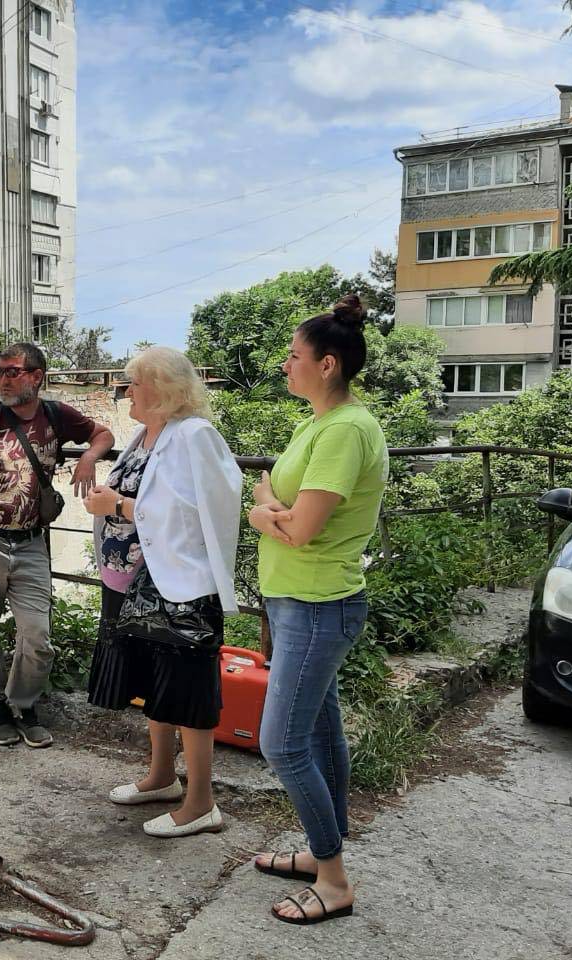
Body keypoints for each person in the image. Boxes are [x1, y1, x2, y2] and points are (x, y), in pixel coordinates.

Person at [248, 294, 388, 925]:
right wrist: (272, 505)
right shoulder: (315, 424)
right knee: (322, 732)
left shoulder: (345, 431)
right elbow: (279, 496)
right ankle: (320, 848)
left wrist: (262, 513)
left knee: (281, 743)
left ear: (327, 364)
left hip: (317, 604)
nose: (285, 365)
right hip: (296, 601)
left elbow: (298, 525)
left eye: (294, 356)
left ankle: (332, 879)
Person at [82, 346, 242, 839]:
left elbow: (209, 513)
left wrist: (122, 508)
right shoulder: (142, 435)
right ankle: (160, 778)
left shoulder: (195, 435)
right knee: (154, 682)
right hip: (133, 585)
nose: (126, 391)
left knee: (188, 691)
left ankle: (201, 803)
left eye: (134, 382)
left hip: (178, 586)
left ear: (163, 388)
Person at [0, 342, 114, 748]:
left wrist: (89, 458)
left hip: (31, 543)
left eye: (13, 371)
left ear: (36, 376)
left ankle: (22, 703)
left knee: (36, 633)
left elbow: (104, 434)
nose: (3, 379)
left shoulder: (56, 415)